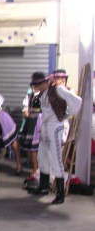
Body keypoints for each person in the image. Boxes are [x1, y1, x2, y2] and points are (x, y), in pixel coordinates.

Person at [32, 70, 82, 204]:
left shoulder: (58, 90)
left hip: (55, 126)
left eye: (38, 84)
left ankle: (60, 193)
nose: (37, 87)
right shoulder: (43, 94)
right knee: (42, 157)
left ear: (44, 82)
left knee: (55, 158)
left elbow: (77, 102)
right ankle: (44, 186)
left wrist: (65, 115)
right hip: (46, 126)